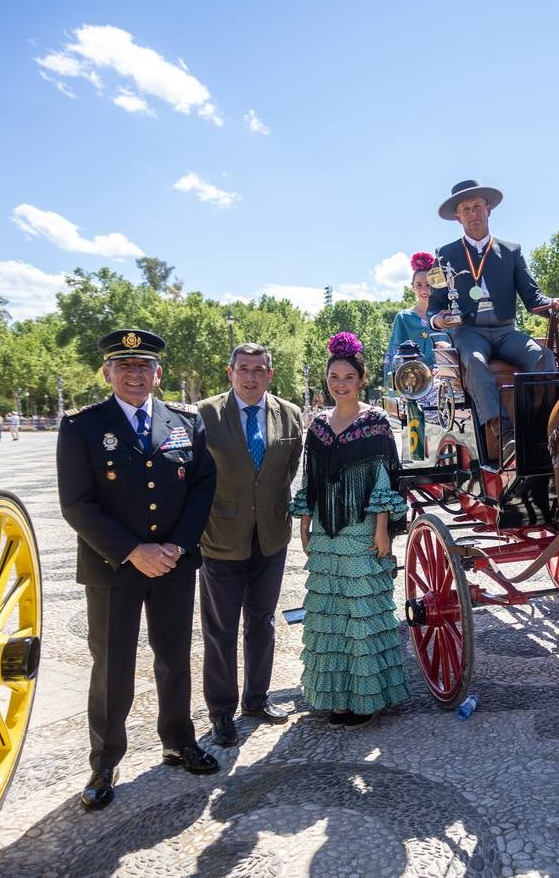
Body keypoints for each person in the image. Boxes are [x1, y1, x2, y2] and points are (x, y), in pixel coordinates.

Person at [56, 328, 220, 811]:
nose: (134, 374)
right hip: (113, 567)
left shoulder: (185, 422)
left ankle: (178, 739)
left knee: (174, 658)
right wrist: (132, 551)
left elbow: (202, 488)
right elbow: (77, 504)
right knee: (112, 667)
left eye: (143, 366)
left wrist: (175, 545)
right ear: (107, 372)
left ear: (158, 372)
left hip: (172, 562)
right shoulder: (83, 425)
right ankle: (104, 762)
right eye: (124, 366)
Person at [291, 332, 409, 728]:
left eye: (348, 377)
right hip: (325, 528)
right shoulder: (319, 427)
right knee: (331, 611)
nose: (340, 384)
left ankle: (367, 698)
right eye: (334, 377)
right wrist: (305, 521)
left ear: (361, 380)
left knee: (362, 612)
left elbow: (383, 478)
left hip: (362, 528)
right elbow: (311, 476)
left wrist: (382, 530)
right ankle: (336, 696)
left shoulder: (375, 423)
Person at [197, 343, 304, 747]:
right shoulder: (205, 414)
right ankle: (221, 711)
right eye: (244, 369)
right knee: (220, 629)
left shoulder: (290, 415)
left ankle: (256, 699)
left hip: (271, 537)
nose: (251, 377)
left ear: (270, 375)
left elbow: (287, 471)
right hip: (221, 538)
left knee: (262, 622)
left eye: (259, 369)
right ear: (230, 372)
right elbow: (195, 474)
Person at [428, 180, 558, 459]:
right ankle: (504, 432)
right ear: (457, 216)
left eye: (477, 207)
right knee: (474, 360)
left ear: (489, 210)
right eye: (466, 209)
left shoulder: (511, 251)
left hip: (506, 331)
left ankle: (542, 428)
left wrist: (554, 305)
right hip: (468, 332)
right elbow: (434, 307)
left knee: (543, 357)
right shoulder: (445, 254)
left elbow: (534, 298)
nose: (473, 213)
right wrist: (439, 321)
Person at [384, 251, 448, 409]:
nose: (424, 289)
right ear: (412, 287)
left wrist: (444, 368)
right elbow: (394, 355)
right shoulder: (403, 318)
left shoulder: (446, 316)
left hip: (446, 377)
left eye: (429, 285)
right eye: (419, 285)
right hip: (415, 379)